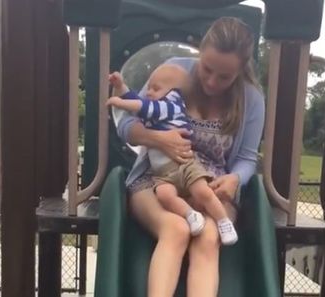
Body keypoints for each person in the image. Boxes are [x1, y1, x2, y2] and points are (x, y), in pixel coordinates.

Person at [114, 16, 264, 297]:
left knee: (208, 237)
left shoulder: (251, 99)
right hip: (158, 178)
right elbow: (126, 125)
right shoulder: (173, 74)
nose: (212, 81)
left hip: (210, 184)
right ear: (201, 51)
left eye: (224, 76)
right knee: (176, 229)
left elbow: (246, 158)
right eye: (207, 69)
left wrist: (235, 179)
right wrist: (158, 139)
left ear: (240, 71)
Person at [107, 64, 239, 245]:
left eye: (156, 88)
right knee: (165, 196)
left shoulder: (170, 107)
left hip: (185, 165)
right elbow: (136, 100)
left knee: (202, 192)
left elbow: (139, 104)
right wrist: (120, 86)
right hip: (163, 173)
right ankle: (190, 215)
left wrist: (118, 102)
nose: (148, 92)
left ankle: (223, 221)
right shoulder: (154, 111)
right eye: (149, 87)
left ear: (174, 93)